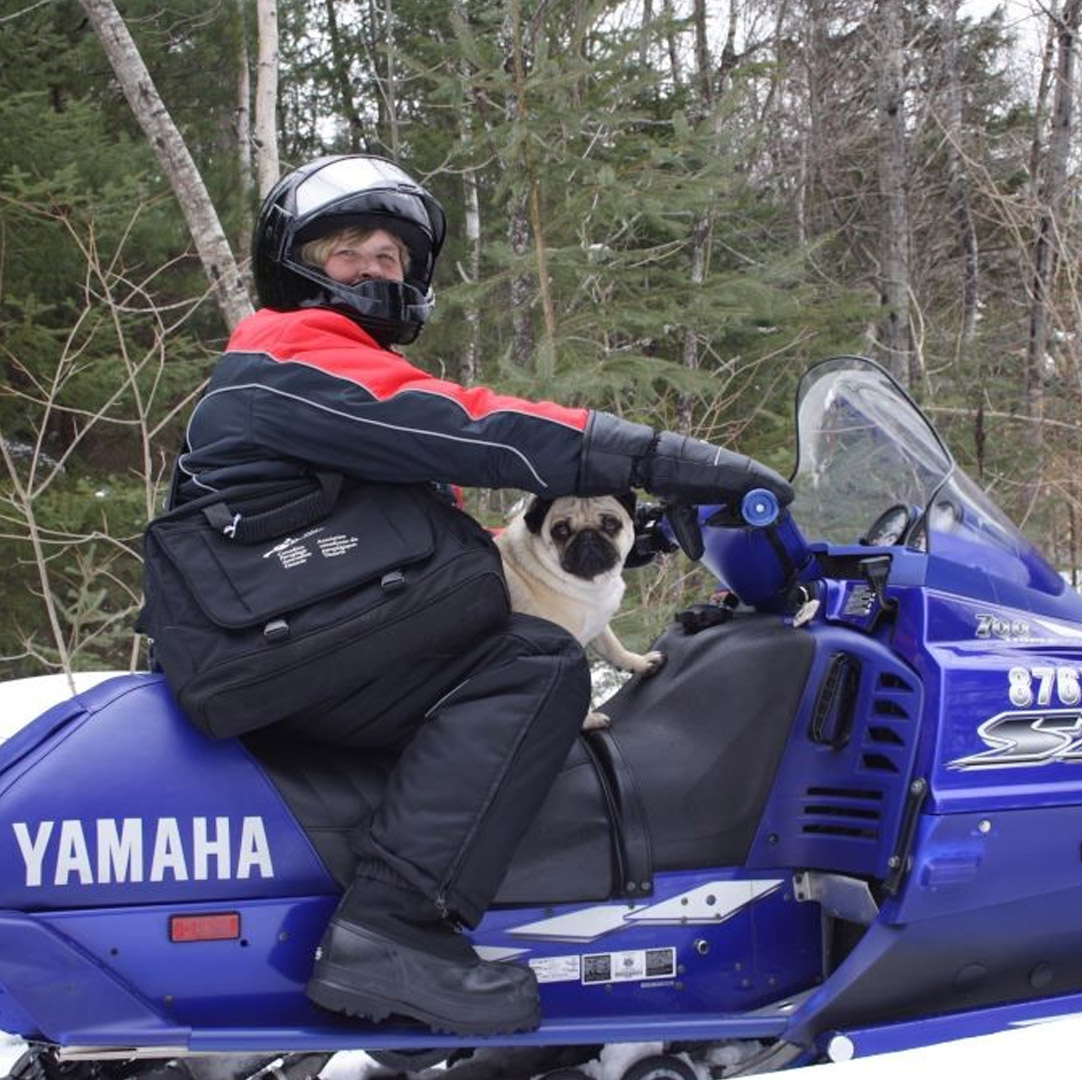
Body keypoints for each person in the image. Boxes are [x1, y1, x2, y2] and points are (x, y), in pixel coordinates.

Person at [173, 154, 793, 1036]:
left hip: (283, 637)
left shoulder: (329, 377)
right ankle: (393, 928)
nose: (376, 269)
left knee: (523, 645)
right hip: (265, 654)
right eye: (350, 249)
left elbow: (423, 551)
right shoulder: (289, 359)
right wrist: (656, 457)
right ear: (298, 261)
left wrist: (631, 547)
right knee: (537, 666)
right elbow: (473, 426)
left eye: (392, 257)